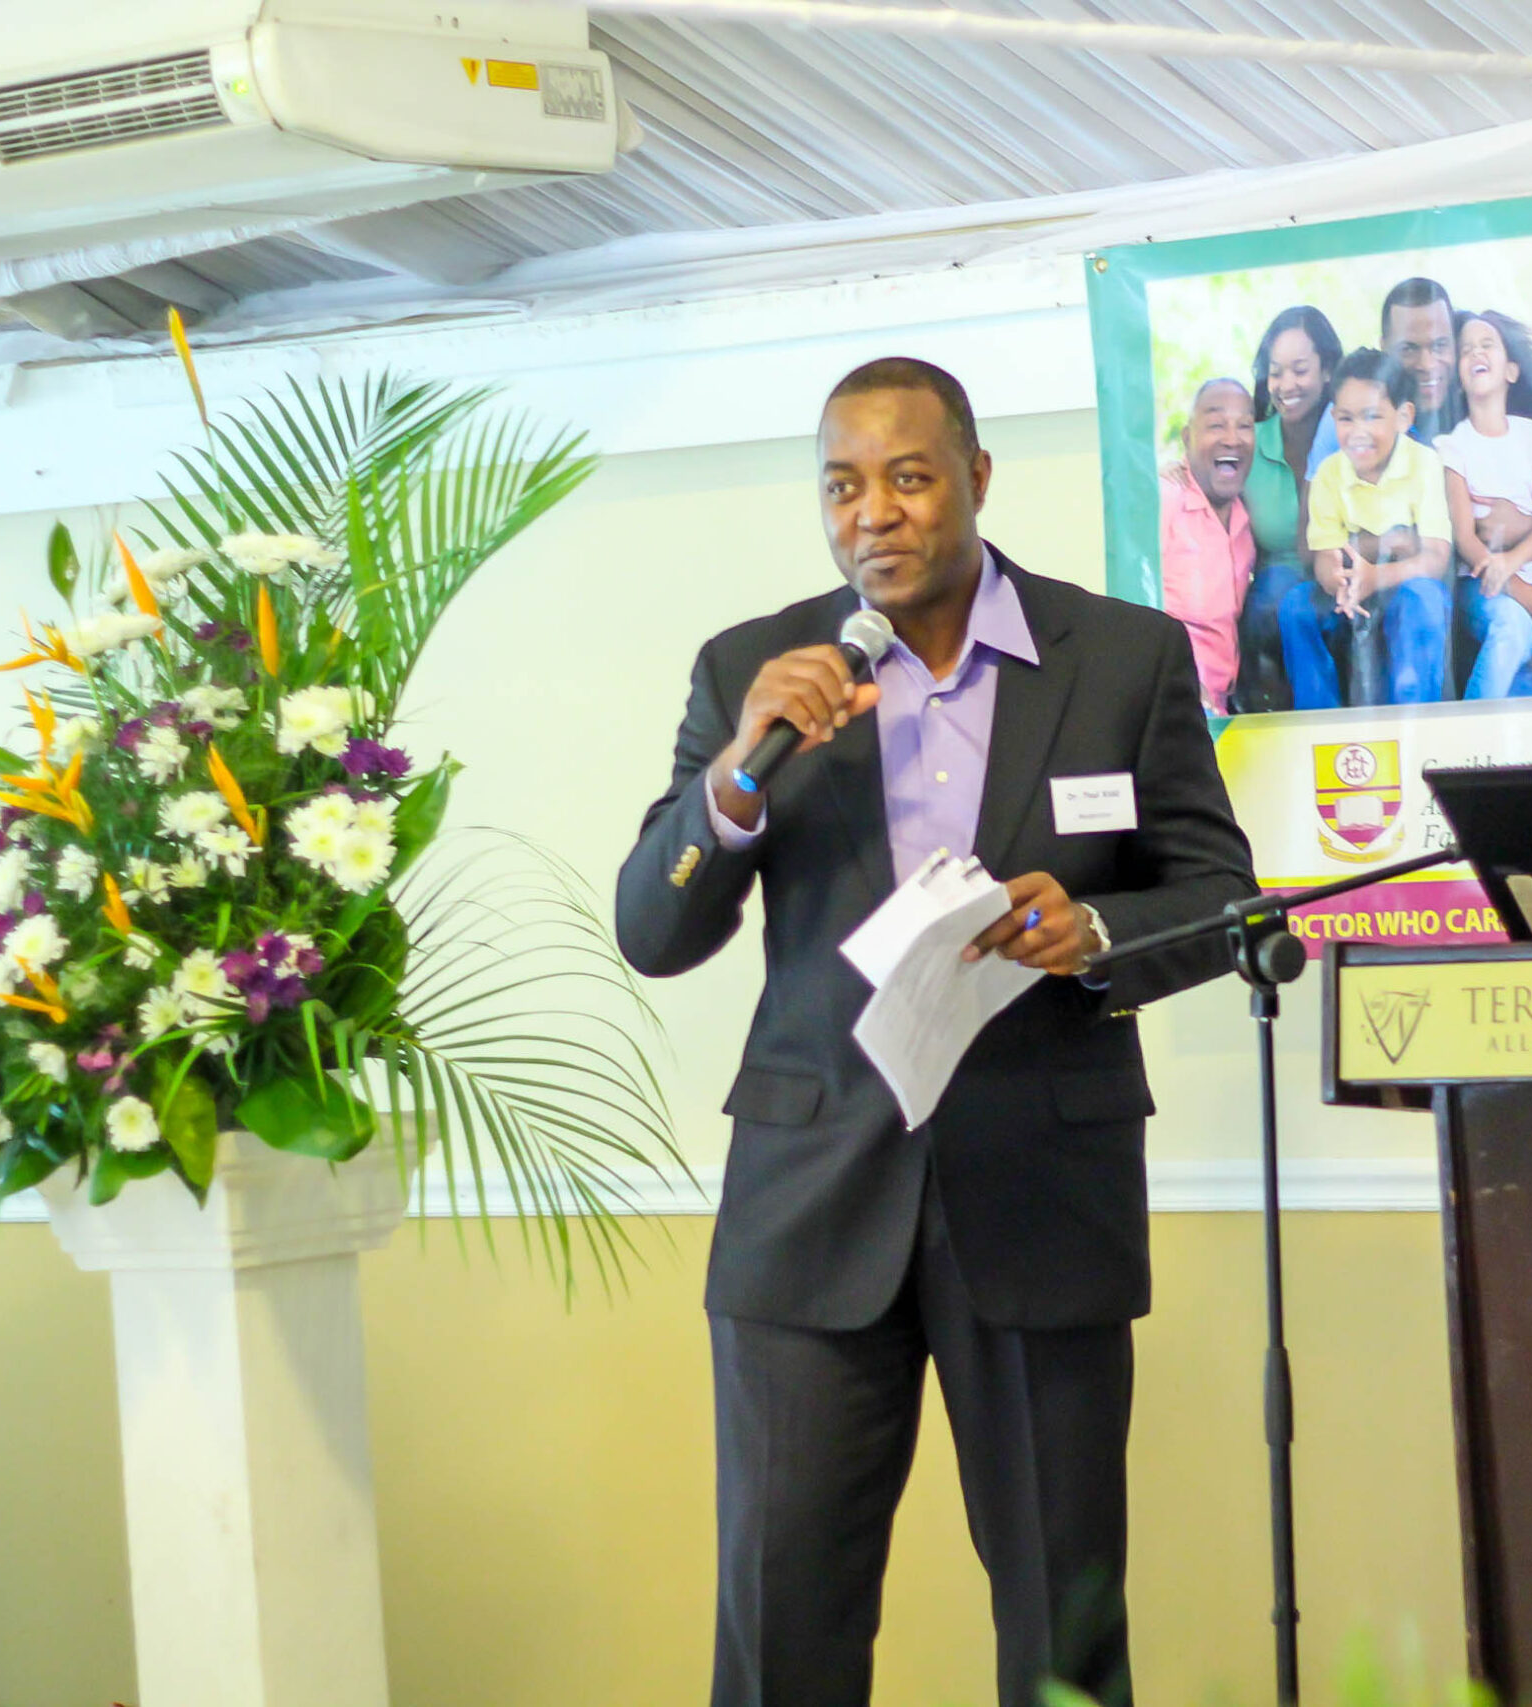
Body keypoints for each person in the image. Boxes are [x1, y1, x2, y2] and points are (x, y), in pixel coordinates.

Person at [616, 357, 1256, 1707]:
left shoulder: (1122, 657)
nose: (874, 515)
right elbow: (653, 930)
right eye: (842, 487)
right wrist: (733, 779)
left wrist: (1094, 929)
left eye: (908, 479)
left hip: (1042, 1190)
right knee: (782, 1631)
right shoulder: (752, 668)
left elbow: (1224, 899)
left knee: (1064, 1631)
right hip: (810, 1203)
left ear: (975, 476)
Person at [1279, 347, 1455, 707]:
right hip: (1348, 591)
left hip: (1402, 585)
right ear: (1333, 418)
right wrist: (1339, 583)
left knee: (1424, 599)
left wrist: (1376, 576)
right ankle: (1317, 717)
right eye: (1346, 419)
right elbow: (1325, 556)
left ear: (1403, 417)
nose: (1358, 432)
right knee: (1297, 607)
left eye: (1372, 416)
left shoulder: (1424, 463)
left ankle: (1413, 716)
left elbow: (1435, 557)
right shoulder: (1329, 473)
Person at [1433, 309, 1532, 699]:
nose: (1476, 353)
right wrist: (1512, 584)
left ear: (1511, 371)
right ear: (1459, 376)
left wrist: (1514, 565)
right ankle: (1474, 728)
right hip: (1477, 582)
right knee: (1512, 630)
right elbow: (1465, 538)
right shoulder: (1453, 446)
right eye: (1466, 349)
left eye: (1487, 345)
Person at [1234, 304, 1342, 712]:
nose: (1285, 385)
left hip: (1345, 577)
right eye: (1275, 372)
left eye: (1300, 370)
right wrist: (1177, 472)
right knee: (1275, 597)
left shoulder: (1352, 434)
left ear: (1327, 370)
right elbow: (1206, 477)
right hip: (1275, 592)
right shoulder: (1251, 441)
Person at [1157, 377, 1257, 715]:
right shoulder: (1166, 498)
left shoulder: (1245, 518)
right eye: (1216, 425)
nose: (1232, 438)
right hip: (1171, 705)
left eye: (1244, 426)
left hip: (1221, 712)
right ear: (1187, 437)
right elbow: (1130, 606)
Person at [1306, 277, 1460, 472]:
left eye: (1440, 345)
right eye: (1408, 349)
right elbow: (1315, 490)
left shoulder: (1474, 403)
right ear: (1384, 348)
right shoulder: (1349, 413)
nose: (1427, 364)